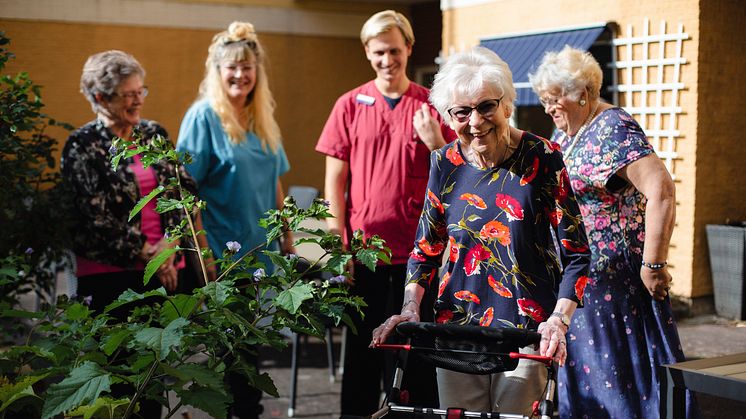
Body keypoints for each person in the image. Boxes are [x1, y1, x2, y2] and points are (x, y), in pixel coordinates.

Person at [371, 46, 591, 416]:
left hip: (525, 331)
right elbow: (426, 249)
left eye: (486, 106)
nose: (475, 122)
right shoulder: (444, 163)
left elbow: (577, 254)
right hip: (456, 329)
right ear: (448, 116)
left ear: (507, 105)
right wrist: (410, 307)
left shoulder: (543, 156)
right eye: (462, 112)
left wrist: (559, 319)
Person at [529, 45, 698, 418]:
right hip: (584, 285)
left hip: (617, 290)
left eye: (554, 100)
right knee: (592, 384)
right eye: (544, 101)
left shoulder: (613, 128)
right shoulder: (570, 131)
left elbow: (662, 191)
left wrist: (654, 265)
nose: (548, 109)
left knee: (621, 384)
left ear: (584, 94)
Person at [315, 10, 456, 416]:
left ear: (409, 49)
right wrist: (337, 246)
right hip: (364, 256)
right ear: (367, 52)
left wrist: (434, 144)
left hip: (418, 258)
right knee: (362, 354)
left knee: (413, 359)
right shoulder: (348, 105)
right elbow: (334, 185)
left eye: (394, 50)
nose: (387, 59)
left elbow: (457, 179)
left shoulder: (431, 108)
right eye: (379, 52)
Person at [61, 49, 205, 418]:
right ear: (99, 98)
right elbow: (92, 217)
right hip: (113, 278)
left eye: (141, 91)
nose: (138, 99)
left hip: (169, 271)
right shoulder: (82, 145)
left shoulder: (153, 133)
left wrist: (170, 247)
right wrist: (150, 254)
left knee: (156, 378)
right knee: (118, 380)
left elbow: (184, 193)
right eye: (128, 94)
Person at [176, 21, 293, 419]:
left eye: (247, 67)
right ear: (217, 71)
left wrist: (288, 241)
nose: (240, 75)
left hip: (261, 254)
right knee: (235, 353)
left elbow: (275, 183)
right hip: (223, 257)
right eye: (232, 67)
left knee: (248, 347)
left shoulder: (262, 118)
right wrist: (203, 258)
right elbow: (185, 193)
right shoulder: (203, 118)